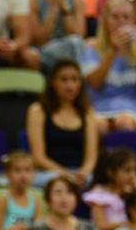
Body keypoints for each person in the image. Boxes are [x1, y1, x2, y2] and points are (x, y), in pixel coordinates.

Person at [80, 0, 136, 133]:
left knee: (124, 122)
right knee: (99, 125)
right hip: (97, 106)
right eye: (115, 17)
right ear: (105, 21)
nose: (121, 22)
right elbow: (94, 83)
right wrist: (112, 51)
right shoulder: (91, 48)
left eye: (126, 17)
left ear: (134, 21)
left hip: (131, 108)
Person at [26, 59, 98, 188]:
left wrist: (83, 173)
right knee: (53, 183)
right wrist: (65, 175)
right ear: (52, 82)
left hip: (79, 174)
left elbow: (91, 158)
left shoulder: (88, 113)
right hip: (49, 173)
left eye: (75, 80)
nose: (70, 86)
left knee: (93, 181)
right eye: (64, 80)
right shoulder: (38, 110)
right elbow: (38, 157)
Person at [84, 146, 136, 230]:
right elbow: (100, 226)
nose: (132, 176)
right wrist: (127, 224)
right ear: (111, 173)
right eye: (127, 171)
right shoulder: (99, 194)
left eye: (134, 170)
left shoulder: (127, 192)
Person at [0, 150, 43, 230]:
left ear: (34, 174)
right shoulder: (4, 199)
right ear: (8, 174)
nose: (23, 175)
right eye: (17, 171)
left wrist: (25, 229)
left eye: (28, 170)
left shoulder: (35, 200)